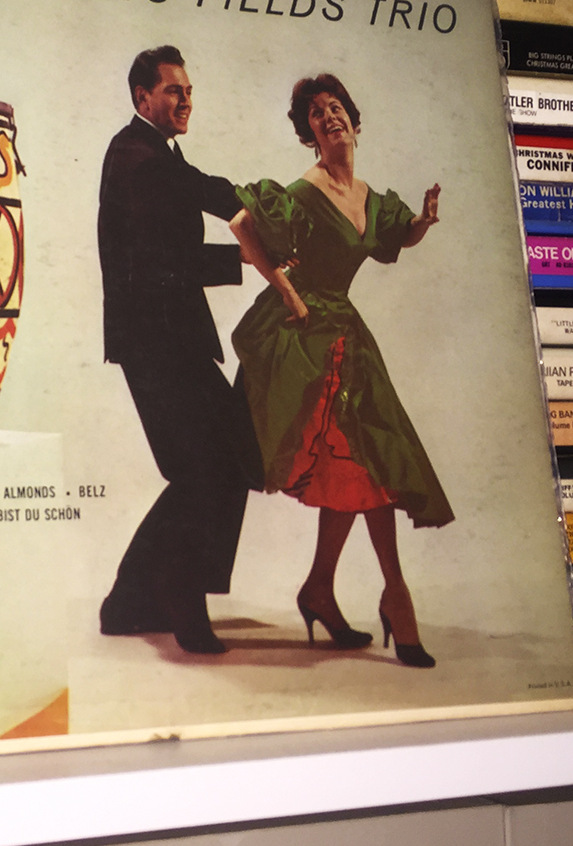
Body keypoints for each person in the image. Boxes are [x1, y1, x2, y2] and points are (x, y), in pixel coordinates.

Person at [228, 74, 452, 667]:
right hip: (305, 337)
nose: (329, 117)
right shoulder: (303, 193)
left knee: (354, 464)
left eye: (335, 108)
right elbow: (242, 225)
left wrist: (423, 222)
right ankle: (396, 596)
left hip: (345, 335)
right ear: (310, 135)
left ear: (353, 120)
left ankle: (320, 588)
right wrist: (287, 291)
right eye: (316, 114)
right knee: (365, 459)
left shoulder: (369, 197)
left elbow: (394, 237)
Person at [97, 46, 261, 655]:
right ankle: (176, 601)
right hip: (157, 344)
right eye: (173, 90)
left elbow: (197, 198)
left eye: (188, 90)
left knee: (221, 461)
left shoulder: (156, 153)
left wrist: (249, 228)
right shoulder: (138, 158)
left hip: (170, 340)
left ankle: (131, 600)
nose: (185, 99)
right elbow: (175, 242)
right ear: (142, 97)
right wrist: (249, 244)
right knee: (208, 467)